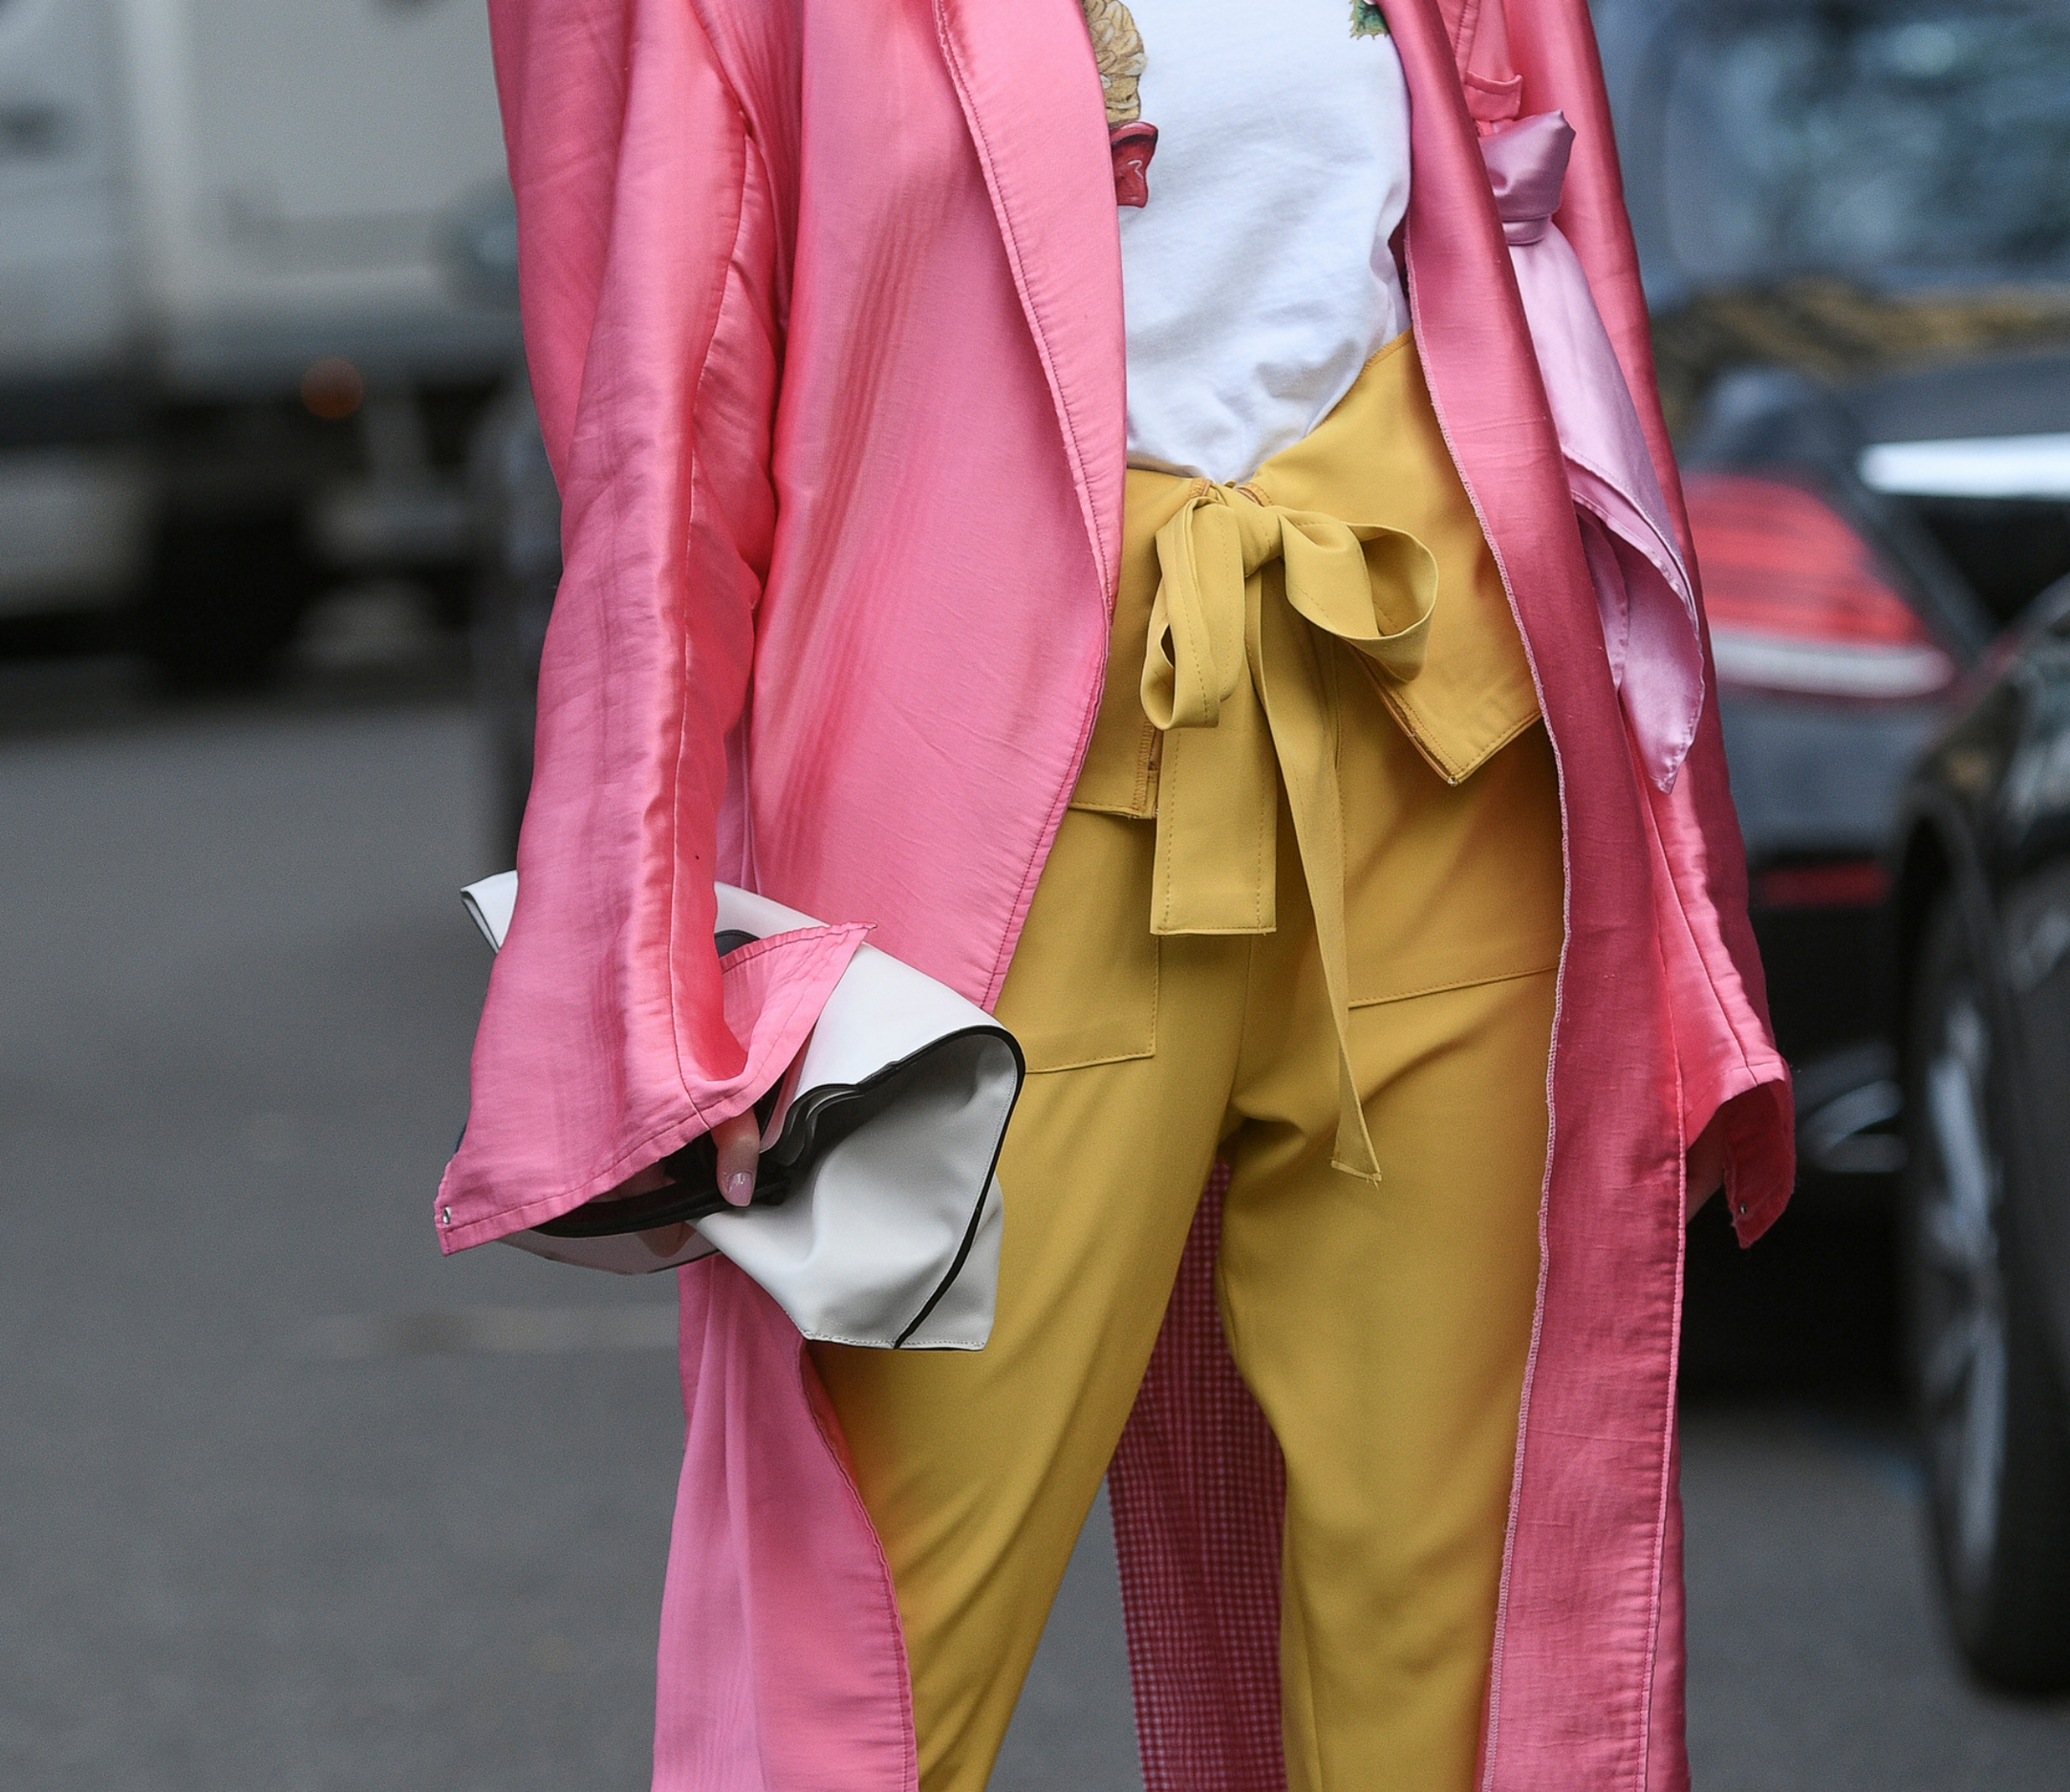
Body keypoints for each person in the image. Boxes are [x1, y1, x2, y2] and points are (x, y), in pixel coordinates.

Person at [439, 0, 1792, 1786]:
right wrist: (633, 967)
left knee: (1459, 1630)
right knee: (873, 1633)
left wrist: (1675, 884)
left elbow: (1563, 298)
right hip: (979, 795)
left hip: (1437, 732)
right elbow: (659, 421)